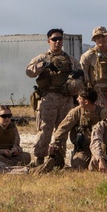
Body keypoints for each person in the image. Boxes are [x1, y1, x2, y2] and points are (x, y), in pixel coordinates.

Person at [26, 29, 80, 167]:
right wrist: (42, 65)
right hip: (48, 98)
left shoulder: (70, 60)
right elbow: (29, 72)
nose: (57, 42)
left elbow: (80, 77)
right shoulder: (42, 58)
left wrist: (78, 75)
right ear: (48, 41)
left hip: (65, 98)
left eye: (60, 39)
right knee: (45, 129)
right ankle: (40, 159)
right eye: (54, 39)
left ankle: (58, 159)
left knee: (62, 130)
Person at [48, 89, 105, 170]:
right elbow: (63, 128)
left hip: (101, 148)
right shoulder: (76, 112)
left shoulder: (103, 112)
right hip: (84, 148)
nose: (77, 99)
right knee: (78, 165)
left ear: (86, 102)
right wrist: (54, 143)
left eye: (79, 98)